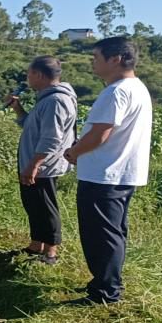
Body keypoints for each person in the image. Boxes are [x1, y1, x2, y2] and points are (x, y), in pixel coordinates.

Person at [63, 37, 152, 306]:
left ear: (115, 59)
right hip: (121, 173)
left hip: (104, 175)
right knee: (112, 232)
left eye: (96, 57)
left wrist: (73, 152)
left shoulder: (116, 91)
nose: (92, 62)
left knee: (100, 235)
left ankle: (104, 293)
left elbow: (101, 133)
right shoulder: (136, 88)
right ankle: (107, 283)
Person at [4, 56, 78, 265]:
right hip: (36, 164)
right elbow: (33, 126)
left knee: (45, 207)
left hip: (44, 166)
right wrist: (17, 109)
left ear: (38, 74)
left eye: (29, 74)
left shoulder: (56, 101)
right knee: (34, 205)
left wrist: (34, 165)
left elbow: (51, 138)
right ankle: (36, 246)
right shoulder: (46, 99)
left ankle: (50, 253)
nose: (27, 79)